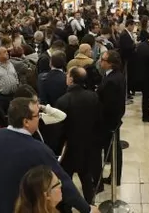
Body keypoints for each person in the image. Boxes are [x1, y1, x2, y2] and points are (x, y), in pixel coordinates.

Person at [0, 97, 97, 213]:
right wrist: (87, 209)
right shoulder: (38, 150)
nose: (39, 119)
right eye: (36, 116)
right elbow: (63, 182)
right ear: (26, 121)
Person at [55, 67, 102, 203]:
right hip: (88, 146)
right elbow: (99, 121)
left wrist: (57, 150)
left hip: (69, 148)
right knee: (86, 178)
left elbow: (59, 129)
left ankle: (66, 207)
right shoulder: (93, 96)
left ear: (71, 79)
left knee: (66, 181)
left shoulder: (63, 101)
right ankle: (90, 206)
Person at [97, 50, 126, 188]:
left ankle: (115, 176)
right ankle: (115, 175)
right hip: (112, 119)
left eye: (103, 60)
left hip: (109, 121)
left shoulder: (112, 80)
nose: (100, 61)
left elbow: (109, 105)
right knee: (114, 149)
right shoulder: (113, 76)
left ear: (110, 64)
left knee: (114, 149)